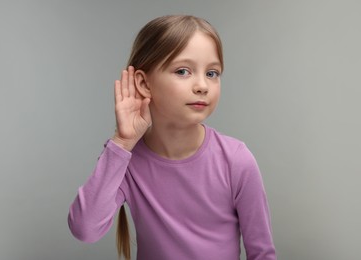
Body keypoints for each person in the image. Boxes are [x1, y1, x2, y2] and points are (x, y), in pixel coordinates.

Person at [68, 15, 276, 260]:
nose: (202, 85)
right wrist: (122, 142)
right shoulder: (126, 161)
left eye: (212, 73)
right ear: (144, 83)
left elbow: (262, 254)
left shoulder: (237, 160)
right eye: (183, 71)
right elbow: (85, 229)